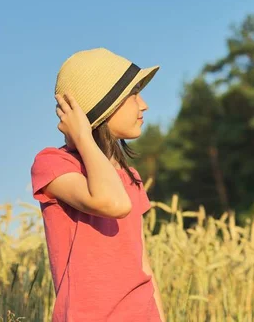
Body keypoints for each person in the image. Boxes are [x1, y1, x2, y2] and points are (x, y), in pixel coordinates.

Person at [30, 48, 165, 321]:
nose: (144, 105)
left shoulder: (130, 176)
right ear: (105, 105)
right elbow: (112, 203)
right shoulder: (54, 165)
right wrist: (83, 136)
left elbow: (143, 264)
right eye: (133, 95)